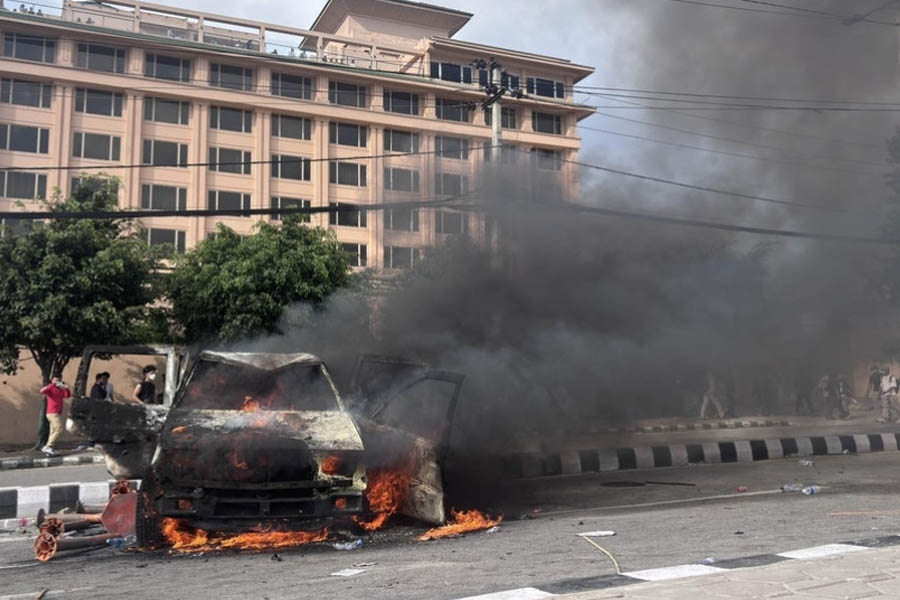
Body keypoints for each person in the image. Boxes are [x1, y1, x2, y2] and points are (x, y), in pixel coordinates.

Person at [39, 376, 71, 456]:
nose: (57, 382)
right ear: (52, 380)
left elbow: (67, 396)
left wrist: (66, 388)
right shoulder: (50, 388)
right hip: (52, 413)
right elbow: (42, 391)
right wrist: (52, 385)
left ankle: (49, 450)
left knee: (53, 431)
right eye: (56, 380)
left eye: (59, 380)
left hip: (57, 413)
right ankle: (48, 446)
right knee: (59, 429)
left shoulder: (60, 390)